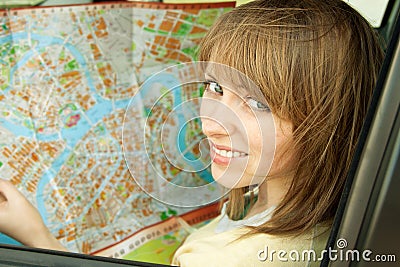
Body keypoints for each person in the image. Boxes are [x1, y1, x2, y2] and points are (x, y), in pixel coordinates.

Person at [0, 0, 385, 266]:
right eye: (215, 87)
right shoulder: (334, 209)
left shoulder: (222, 261)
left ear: (330, 122)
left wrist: (38, 239)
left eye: (258, 104)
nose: (212, 124)